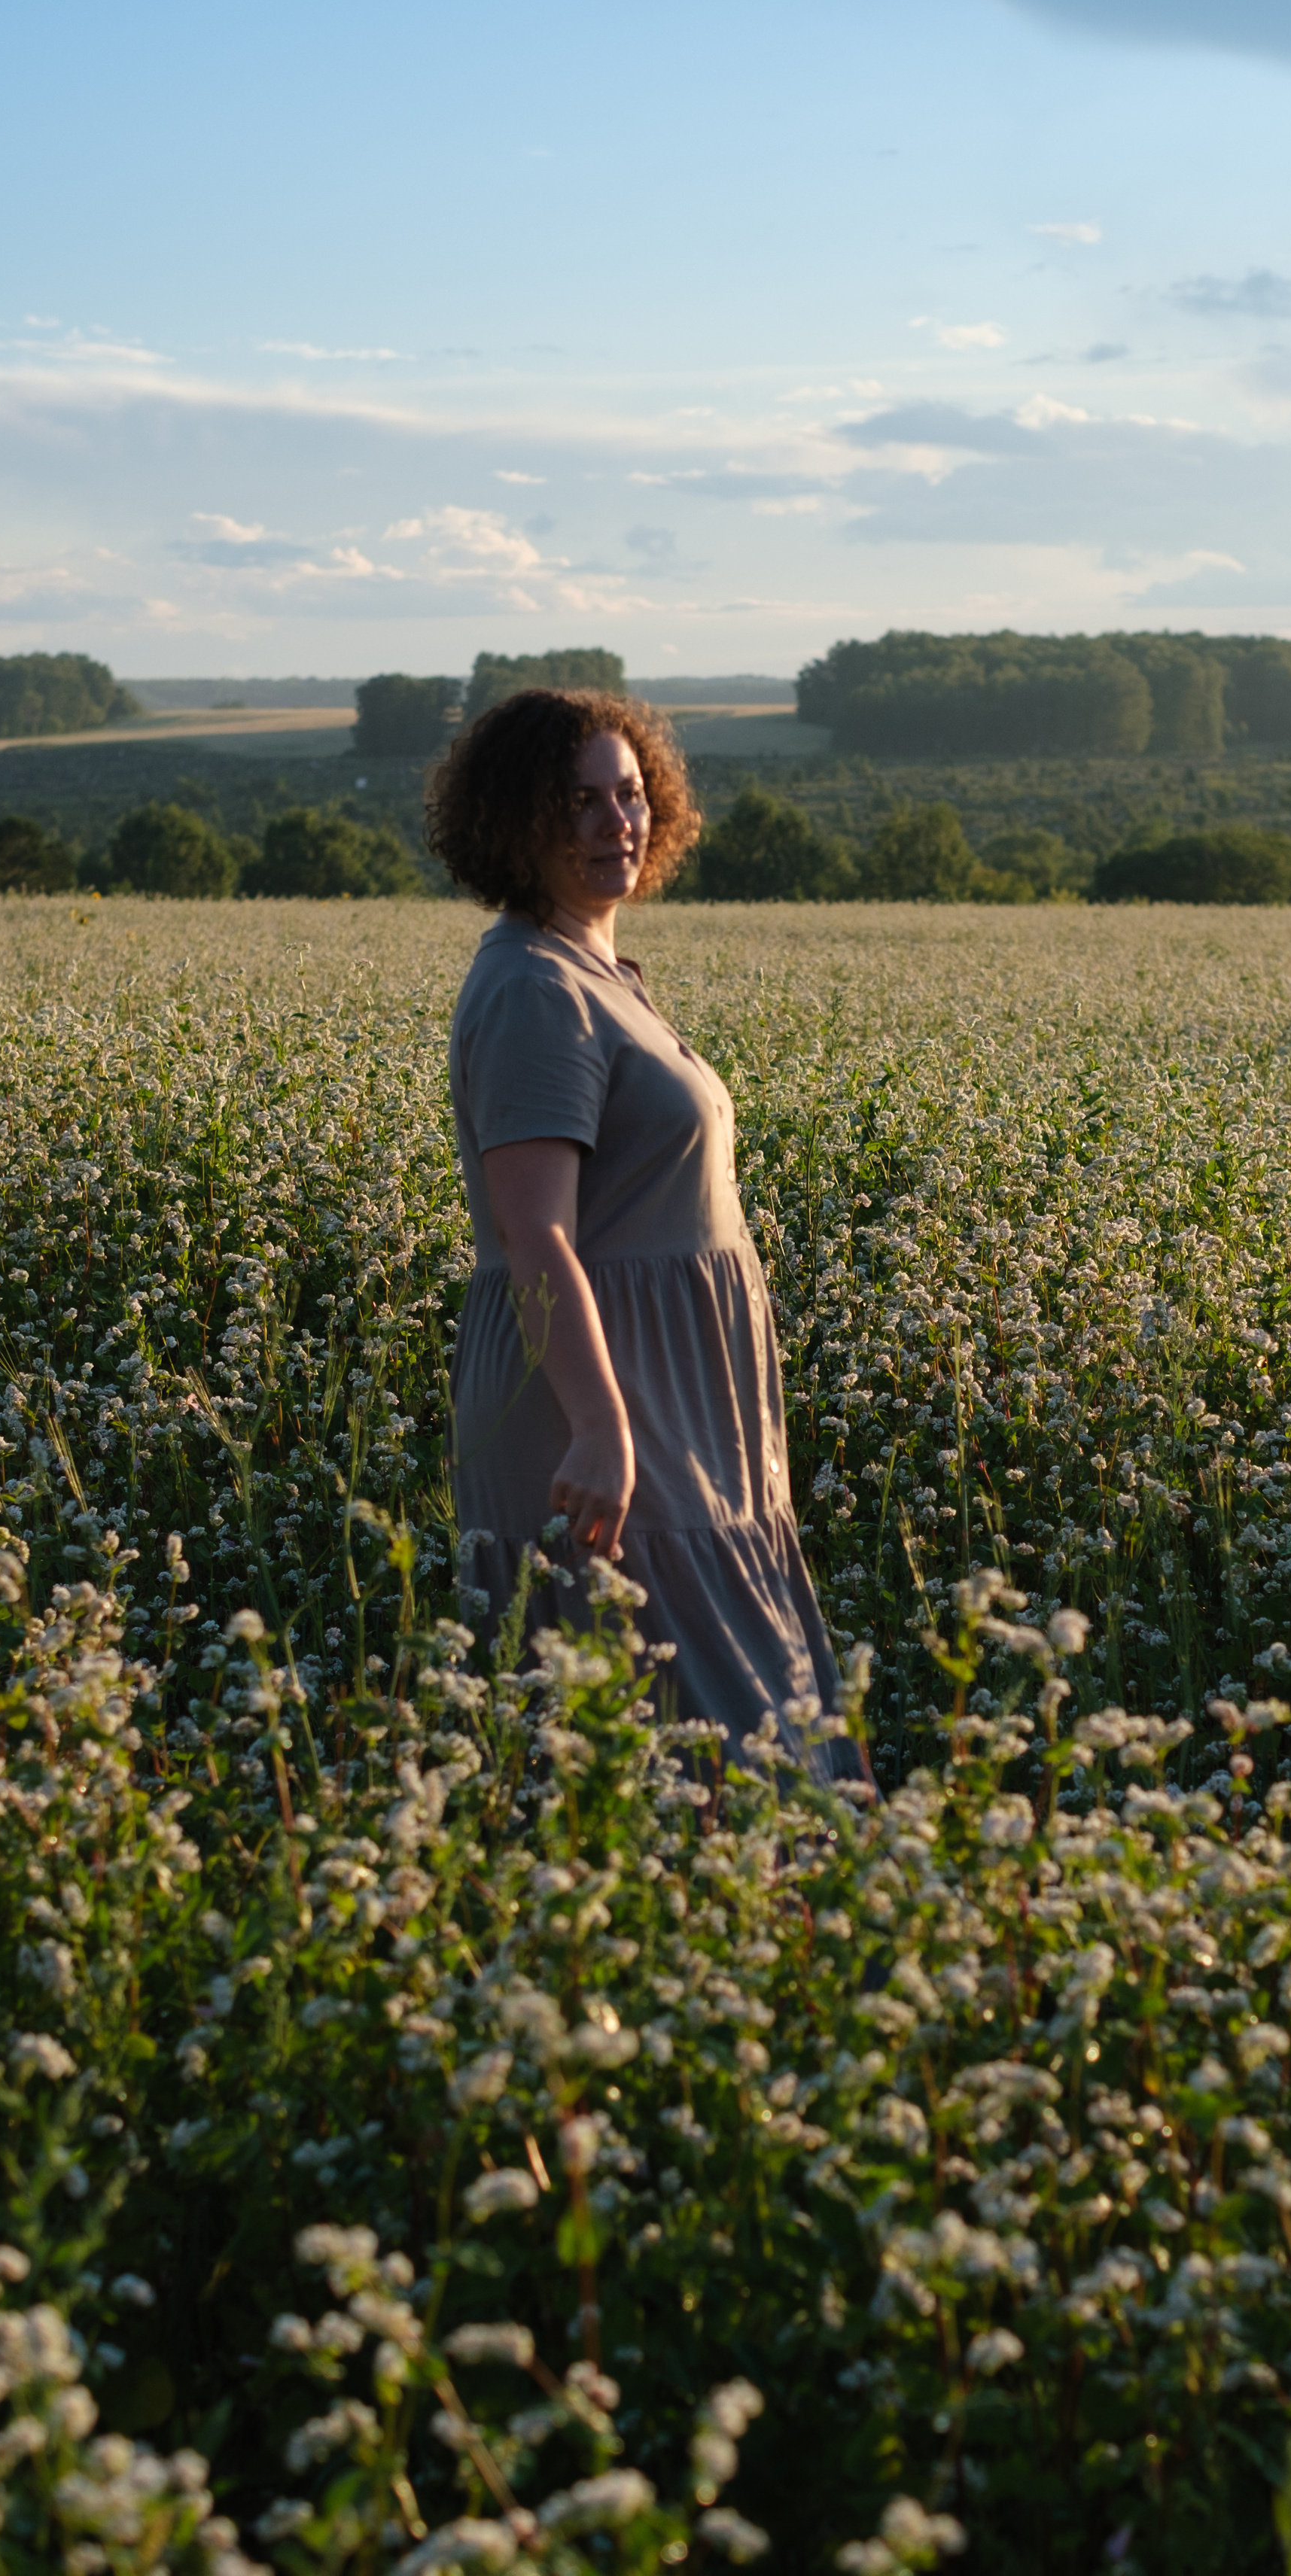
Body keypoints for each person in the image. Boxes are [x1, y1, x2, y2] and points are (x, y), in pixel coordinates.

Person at [425, 686, 860, 1783]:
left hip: (673, 1405)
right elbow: (534, 1239)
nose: (614, 822)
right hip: (610, 1412)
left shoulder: (593, 973)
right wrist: (601, 1429)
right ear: (513, 824)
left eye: (628, 795)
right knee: (702, 1748)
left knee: (718, 1738)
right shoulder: (534, 989)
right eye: (576, 803)